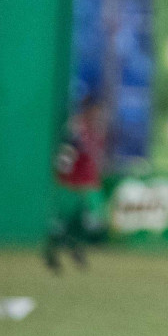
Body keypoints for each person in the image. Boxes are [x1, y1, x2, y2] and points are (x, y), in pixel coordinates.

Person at [44, 94, 109, 273]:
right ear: (88, 109)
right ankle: (53, 254)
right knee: (63, 223)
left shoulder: (95, 129)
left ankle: (75, 250)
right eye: (96, 109)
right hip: (72, 184)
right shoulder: (77, 129)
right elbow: (65, 155)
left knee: (90, 220)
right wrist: (63, 175)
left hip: (87, 184)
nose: (99, 113)